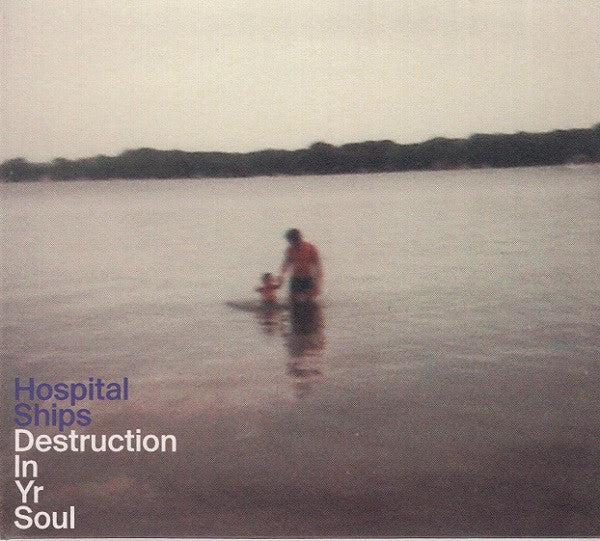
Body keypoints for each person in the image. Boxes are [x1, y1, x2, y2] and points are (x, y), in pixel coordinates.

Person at [279, 228, 323, 302]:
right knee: (292, 302)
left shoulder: (311, 248)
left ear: (299, 238)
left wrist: (318, 285)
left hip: (308, 278)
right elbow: (286, 264)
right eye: (290, 242)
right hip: (295, 279)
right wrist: (281, 276)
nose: (291, 243)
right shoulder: (289, 250)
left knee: (310, 303)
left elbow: (318, 268)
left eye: (292, 241)